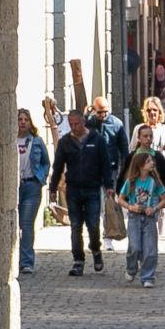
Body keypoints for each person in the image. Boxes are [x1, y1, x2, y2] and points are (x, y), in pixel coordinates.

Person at [48, 107, 118, 277]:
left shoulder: (97, 140)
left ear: (83, 122)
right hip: (73, 189)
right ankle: (78, 260)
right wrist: (53, 188)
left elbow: (105, 164)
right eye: (71, 124)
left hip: (92, 188)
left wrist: (109, 185)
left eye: (76, 124)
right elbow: (58, 167)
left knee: (93, 224)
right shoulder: (65, 142)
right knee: (75, 225)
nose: (74, 127)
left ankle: (95, 250)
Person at [116, 147, 165, 288]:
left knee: (150, 249)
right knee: (135, 247)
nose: (152, 163)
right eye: (148, 161)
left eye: (151, 161)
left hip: (149, 219)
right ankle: (131, 268)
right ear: (140, 165)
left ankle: (148, 276)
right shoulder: (131, 182)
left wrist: (155, 208)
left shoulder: (154, 182)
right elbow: (120, 199)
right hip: (134, 217)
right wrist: (131, 207)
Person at [89, 95, 132, 253]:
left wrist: (126, 170)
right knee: (95, 204)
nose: (103, 115)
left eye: (106, 111)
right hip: (92, 169)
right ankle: (95, 236)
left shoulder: (116, 124)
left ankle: (108, 237)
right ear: (94, 110)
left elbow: (124, 149)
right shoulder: (89, 124)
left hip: (111, 169)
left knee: (108, 203)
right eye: (100, 112)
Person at [16, 107, 50, 276]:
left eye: (26, 119)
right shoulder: (10, 141)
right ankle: (13, 261)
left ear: (30, 122)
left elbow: (46, 162)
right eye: (20, 119)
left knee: (26, 224)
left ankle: (26, 262)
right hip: (15, 187)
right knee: (14, 226)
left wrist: (40, 178)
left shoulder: (36, 141)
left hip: (31, 186)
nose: (23, 122)